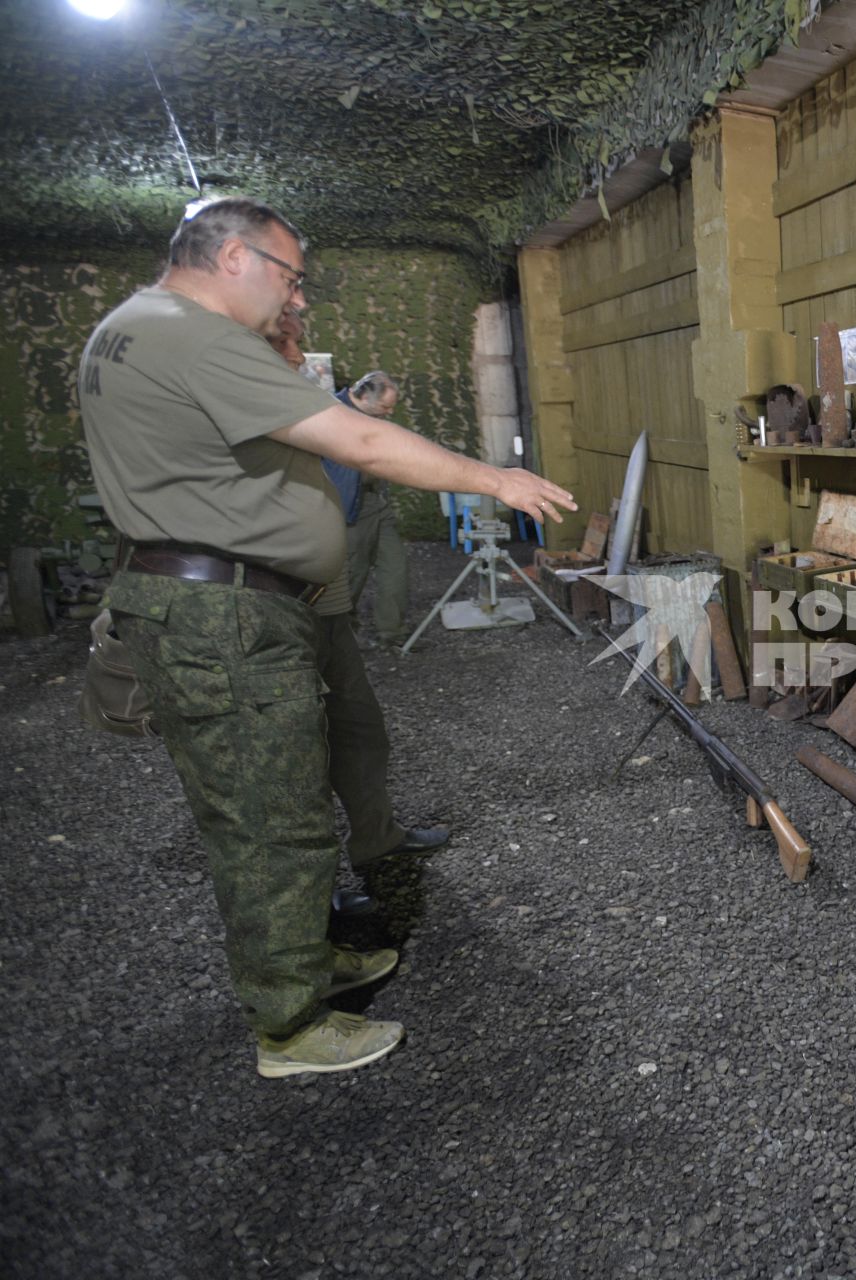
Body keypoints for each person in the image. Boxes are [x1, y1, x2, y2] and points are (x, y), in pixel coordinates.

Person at [78, 197, 574, 1078]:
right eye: (290, 273)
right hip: (221, 613)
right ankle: (290, 1025)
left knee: (279, 799)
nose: (293, 292)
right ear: (234, 257)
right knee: (273, 821)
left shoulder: (135, 326)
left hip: (220, 602)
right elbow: (357, 438)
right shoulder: (192, 335)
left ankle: (305, 960)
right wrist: (492, 478)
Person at [269, 315, 448, 916]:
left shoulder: (311, 408)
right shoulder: (303, 417)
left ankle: (379, 838)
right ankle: (310, 904)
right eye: (284, 343)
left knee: (359, 727)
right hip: (283, 594)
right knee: (296, 752)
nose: (300, 356)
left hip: (328, 590)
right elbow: (352, 468)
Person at [322, 373, 408, 649]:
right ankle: (345, 638)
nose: (390, 412)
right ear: (363, 397)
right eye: (385, 407)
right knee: (352, 575)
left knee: (396, 568)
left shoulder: (370, 418)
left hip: (376, 502)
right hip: (348, 508)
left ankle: (391, 632)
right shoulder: (331, 415)